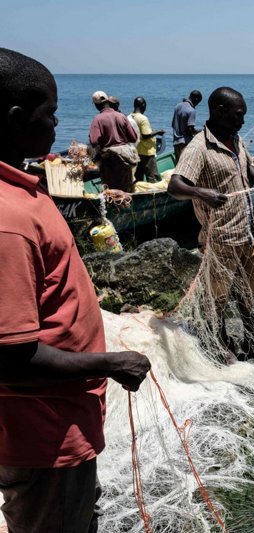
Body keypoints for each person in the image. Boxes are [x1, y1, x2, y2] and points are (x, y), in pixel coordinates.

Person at [0, 47, 151, 532]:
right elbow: (11, 355)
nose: (58, 124)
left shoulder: (21, 190)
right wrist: (111, 362)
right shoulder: (9, 219)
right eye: (51, 114)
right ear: (17, 118)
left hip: (59, 424)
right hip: (44, 436)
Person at [167, 87, 254, 363]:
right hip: (221, 238)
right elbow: (175, 185)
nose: (242, 120)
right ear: (219, 112)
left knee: (250, 293)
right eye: (238, 115)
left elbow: (248, 169)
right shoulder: (199, 148)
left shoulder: (235, 139)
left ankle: (252, 341)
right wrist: (201, 193)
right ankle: (217, 343)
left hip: (248, 234)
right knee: (217, 298)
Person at [89, 90, 139, 192]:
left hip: (110, 160)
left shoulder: (98, 119)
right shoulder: (121, 116)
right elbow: (133, 138)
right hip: (125, 158)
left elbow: (93, 141)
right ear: (107, 101)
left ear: (96, 105)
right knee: (126, 189)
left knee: (112, 190)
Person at [130, 96, 165, 182]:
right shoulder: (143, 118)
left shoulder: (129, 117)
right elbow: (145, 135)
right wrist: (158, 132)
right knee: (152, 177)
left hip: (136, 152)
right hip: (147, 153)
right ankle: (153, 194)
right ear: (143, 105)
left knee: (138, 178)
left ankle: (138, 194)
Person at [172, 90, 202, 161]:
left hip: (176, 142)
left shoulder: (177, 106)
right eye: (198, 103)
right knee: (186, 167)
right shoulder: (192, 110)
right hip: (185, 143)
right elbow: (190, 130)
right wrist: (199, 132)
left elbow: (173, 124)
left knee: (178, 166)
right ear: (196, 99)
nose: (197, 105)